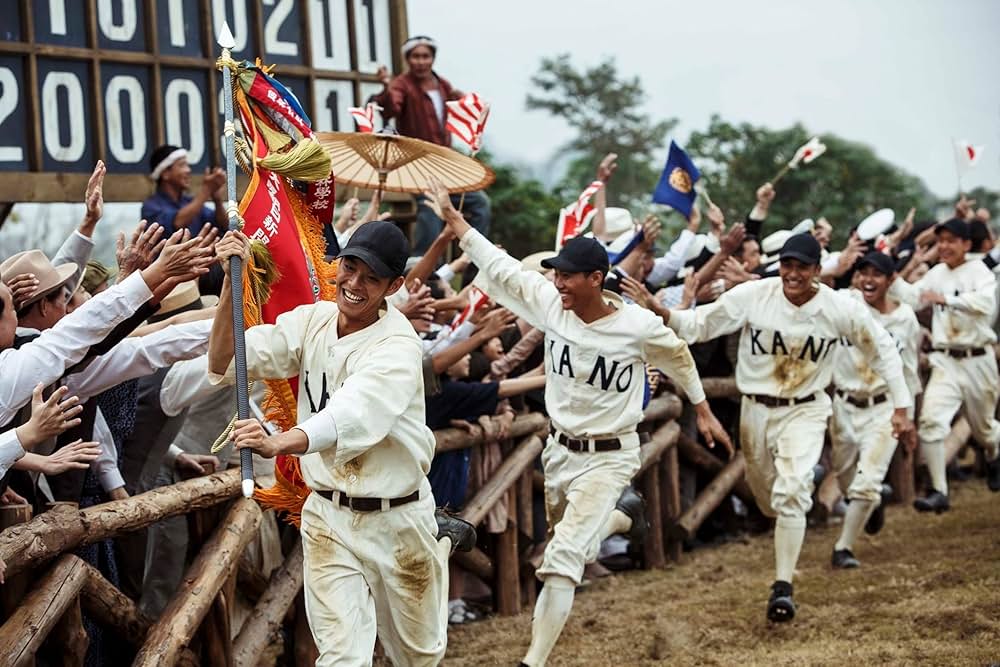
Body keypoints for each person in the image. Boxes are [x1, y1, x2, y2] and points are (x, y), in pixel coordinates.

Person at [425, 180, 732, 666]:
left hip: (611, 454)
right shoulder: (552, 305)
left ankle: (533, 661)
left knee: (562, 561)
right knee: (575, 547)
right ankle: (622, 516)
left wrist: (704, 409)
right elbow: (501, 266)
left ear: (596, 278)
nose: (558, 283)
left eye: (568, 276)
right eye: (556, 274)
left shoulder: (636, 326)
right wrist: (455, 220)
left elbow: (678, 357)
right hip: (560, 452)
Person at [209, 221, 470, 666]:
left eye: (372, 277)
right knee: (341, 658)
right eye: (350, 267)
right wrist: (230, 284)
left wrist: (280, 442)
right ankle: (440, 538)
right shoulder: (314, 319)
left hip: (397, 518)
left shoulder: (399, 346)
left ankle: (438, 539)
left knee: (418, 657)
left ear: (394, 286)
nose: (354, 283)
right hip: (328, 515)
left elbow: (352, 413)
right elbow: (227, 359)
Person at [631, 233, 913, 623]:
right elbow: (701, 325)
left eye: (802, 267)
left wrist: (901, 406)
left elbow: (882, 349)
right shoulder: (756, 295)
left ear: (817, 271)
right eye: (787, 265)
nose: (792, 274)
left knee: (791, 492)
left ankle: (783, 587)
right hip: (756, 410)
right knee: (768, 499)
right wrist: (663, 313)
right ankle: (799, 496)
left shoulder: (839, 307)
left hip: (806, 408)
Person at [889, 218, 1000, 510]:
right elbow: (914, 297)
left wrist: (947, 300)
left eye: (951, 241)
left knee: (984, 429)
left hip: (978, 359)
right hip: (946, 359)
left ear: (966, 244)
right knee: (931, 422)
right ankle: (939, 490)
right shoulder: (937, 273)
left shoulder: (979, 271)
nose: (945, 246)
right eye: (941, 241)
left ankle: (993, 454)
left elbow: (986, 304)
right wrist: (892, 276)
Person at [829, 252, 921, 569]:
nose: (868, 280)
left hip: (882, 407)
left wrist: (907, 417)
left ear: (890, 279)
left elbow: (908, 372)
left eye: (876, 274)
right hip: (844, 404)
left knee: (866, 481)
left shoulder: (905, 318)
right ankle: (874, 501)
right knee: (846, 479)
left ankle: (843, 547)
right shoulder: (846, 303)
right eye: (863, 273)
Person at [373, 36, 490, 254]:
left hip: (444, 162)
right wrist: (386, 85)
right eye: (416, 56)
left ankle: (474, 260)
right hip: (417, 164)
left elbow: (459, 105)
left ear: (433, 58)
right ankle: (423, 266)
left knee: (480, 203)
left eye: (425, 56)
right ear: (408, 59)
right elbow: (391, 109)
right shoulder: (401, 84)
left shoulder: (442, 84)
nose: (421, 61)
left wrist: (466, 102)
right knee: (430, 210)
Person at [140, 144, 227, 236]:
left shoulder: (190, 202)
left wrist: (217, 200)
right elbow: (176, 223)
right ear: (165, 174)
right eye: (182, 165)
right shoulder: (151, 206)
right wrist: (206, 191)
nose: (188, 170)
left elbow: (223, 225)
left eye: (187, 165)